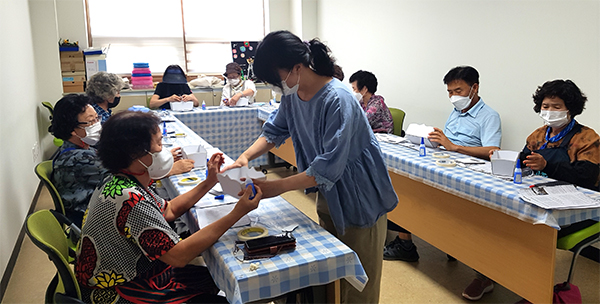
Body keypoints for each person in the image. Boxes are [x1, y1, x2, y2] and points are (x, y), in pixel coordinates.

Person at [221, 30, 398, 303]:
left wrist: (274, 187)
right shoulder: (294, 94)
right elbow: (274, 131)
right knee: (332, 276)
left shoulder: (339, 99)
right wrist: (245, 157)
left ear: (297, 68)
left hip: (359, 195)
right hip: (328, 192)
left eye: (277, 79)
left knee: (359, 282)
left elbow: (327, 167)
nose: (277, 87)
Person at [75, 111, 261, 303]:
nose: (163, 150)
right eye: (159, 143)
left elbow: (169, 209)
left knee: (214, 278)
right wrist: (238, 213)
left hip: (134, 273)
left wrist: (209, 182)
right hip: (118, 291)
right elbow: (180, 256)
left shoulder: (118, 179)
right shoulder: (130, 198)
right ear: (135, 153)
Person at [463, 79, 600, 301]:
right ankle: (485, 275)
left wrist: (549, 165)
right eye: (546, 106)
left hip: (575, 207)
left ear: (571, 108)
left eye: (557, 106)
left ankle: (535, 292)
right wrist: (503, 160)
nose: (549, 111)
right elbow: (522, 162)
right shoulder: (538, 135)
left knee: (529, 231)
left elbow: (587, 178)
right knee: (494, 217)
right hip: (540, 197)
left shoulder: (587, 138)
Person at [384, 66, 502, 264]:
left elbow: (493, 151)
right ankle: (405, 243)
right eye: (450, 92)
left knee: (421, 193)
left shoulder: (489, 116)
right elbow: (448, 143)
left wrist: (454, 147)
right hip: (446, 162)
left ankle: (453, 245)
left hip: (469, 170)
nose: (454, 96)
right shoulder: (456, 111)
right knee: (406, 184)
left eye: (459, 91)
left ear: (475, 88)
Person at [49, 94, 109, 227]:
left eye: (96, 118)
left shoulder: (80, 147)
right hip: (90, 221)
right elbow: (123, 174)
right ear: (72, 130)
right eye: (90, 121)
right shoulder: (78, 160)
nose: (97, 124)